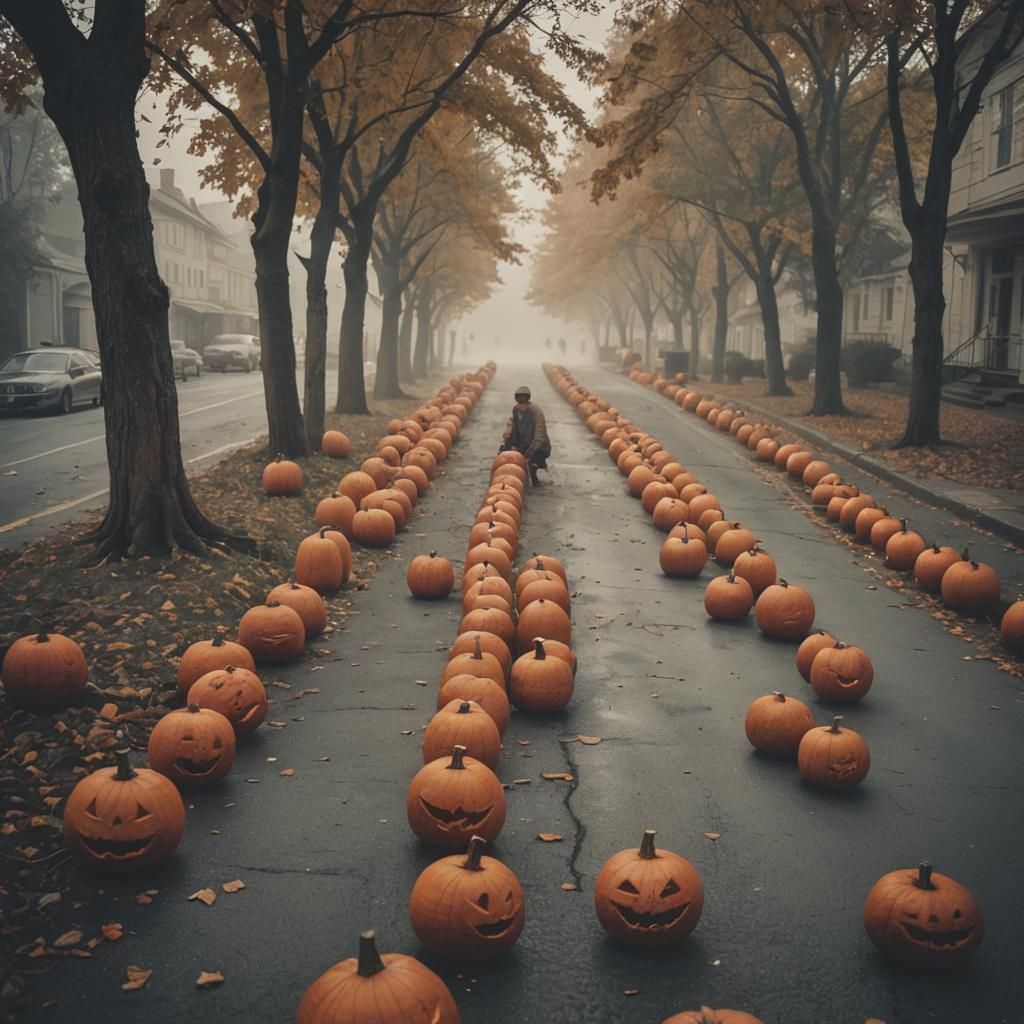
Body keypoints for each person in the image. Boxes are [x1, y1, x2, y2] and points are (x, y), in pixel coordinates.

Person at [500, 385, 551, 486]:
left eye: (523, 401)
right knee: (507, 450)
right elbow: (512, 423)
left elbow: (539, 436)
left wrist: (528, 454)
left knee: (533, 462)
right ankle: (512, 474)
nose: (520, 404)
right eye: (518, 401)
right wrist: (508, 434)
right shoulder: (516, 409)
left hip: (538, 446)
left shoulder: (536, 412)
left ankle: (533, 475)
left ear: (528, 400)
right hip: (524, 442)